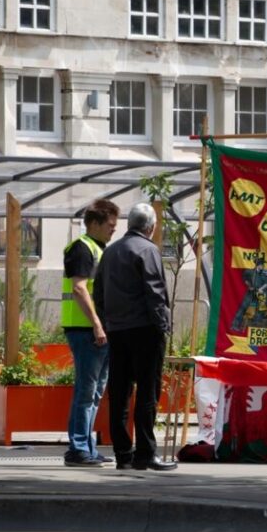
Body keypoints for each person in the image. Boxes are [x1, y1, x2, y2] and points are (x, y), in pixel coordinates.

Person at [94, 202, 175, 471]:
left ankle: (123, 455)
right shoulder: (148, 250)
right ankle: (145, 454)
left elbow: (99, 293)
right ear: (150, 228)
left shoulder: (111, 251)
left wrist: (109, 321)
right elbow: (155, 292)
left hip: (118, 331)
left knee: (119, 392)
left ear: (129, 224)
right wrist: (163, 325)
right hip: (145, 330)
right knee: (147, 392)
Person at [61, 198, 119, 467]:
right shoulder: (82, 249)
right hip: (86, 329)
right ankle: (79, 448)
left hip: (96, 329)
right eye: (109, 224)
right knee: (87, 390)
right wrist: (96, 323)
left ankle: (86, 446)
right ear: (94, 223)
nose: (114, 229)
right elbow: (79, 288)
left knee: (94, 391)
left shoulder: (98, 248)